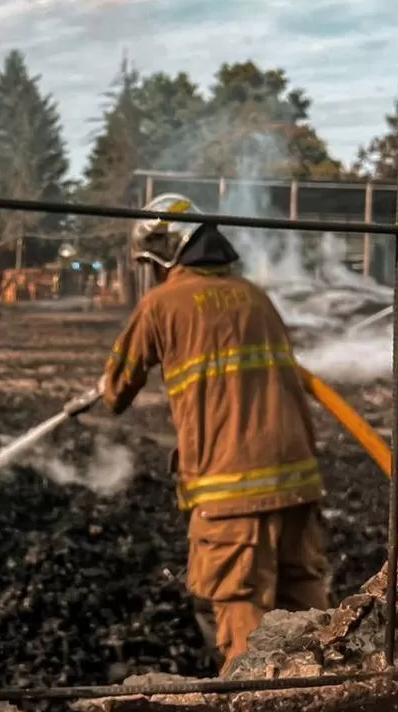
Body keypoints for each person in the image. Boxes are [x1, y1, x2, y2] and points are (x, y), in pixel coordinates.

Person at [66, 193, 331, 672]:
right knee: (307, 608)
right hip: (298, 483)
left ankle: (253, 704)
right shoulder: (254, 295)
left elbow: (117, 389)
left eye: (151, 261)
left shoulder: (162, 303)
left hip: (230, 493)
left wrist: (103, 386)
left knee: (239, 610)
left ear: (166, 251)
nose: (153, 271)